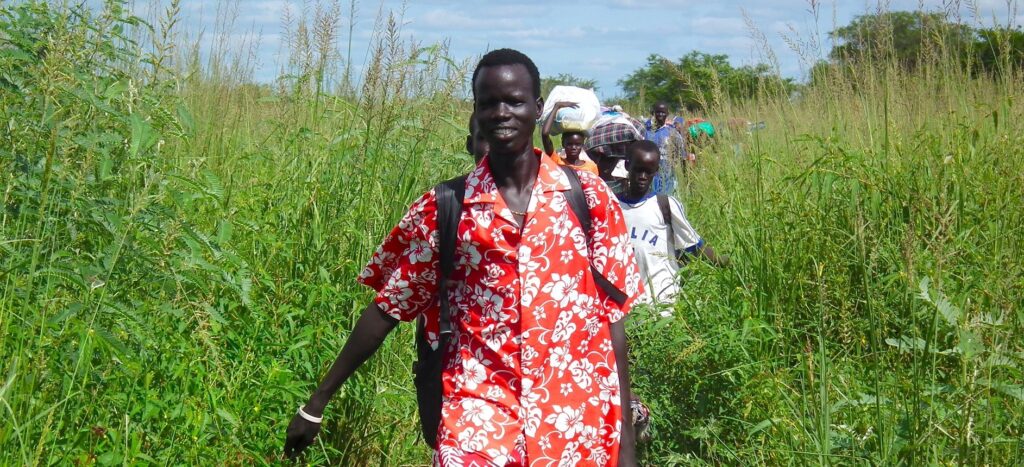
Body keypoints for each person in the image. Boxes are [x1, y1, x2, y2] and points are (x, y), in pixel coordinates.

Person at [284, 48, 644, 466]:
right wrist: (317, 402)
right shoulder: (446, 207)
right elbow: (387, 308)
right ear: (476, 111)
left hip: (572, 418)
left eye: (514, 101)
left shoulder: (590, 198)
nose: (502, 113)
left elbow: (611, 321)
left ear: (538, 108)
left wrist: (625, 446)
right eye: (489, 103)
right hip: (478, 414)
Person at [618, 141, 728, 307]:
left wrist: (723, 261)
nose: (642, 177)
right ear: (627, 165)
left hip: (662, 300)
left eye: (648, 172)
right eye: (638, 169)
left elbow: (694, 246)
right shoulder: (612, 205)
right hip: (624, 302)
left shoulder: (665, 205)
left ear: (656, 171)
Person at [585, 117, 645, 196]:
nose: (608, 164)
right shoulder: (592, 180)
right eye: (606, 159)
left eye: (611, 159)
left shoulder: (622, 180)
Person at [540, 101, 599, 176]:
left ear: (583, 144)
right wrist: (556, 107)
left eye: (578, 144)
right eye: (569, 144)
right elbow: (545, 134)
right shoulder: (557, 162)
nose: (574, 147)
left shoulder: (591, 167)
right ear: (563, 143)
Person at [644, 102, 687, 194]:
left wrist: (685, 177)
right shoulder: (646, 132)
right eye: (658, 112)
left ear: (667, 114)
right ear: (653, 113)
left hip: (668, 179)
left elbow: (682, 156)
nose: (660, 114)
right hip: (650, 180)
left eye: (663, 112)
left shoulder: (673, 133)